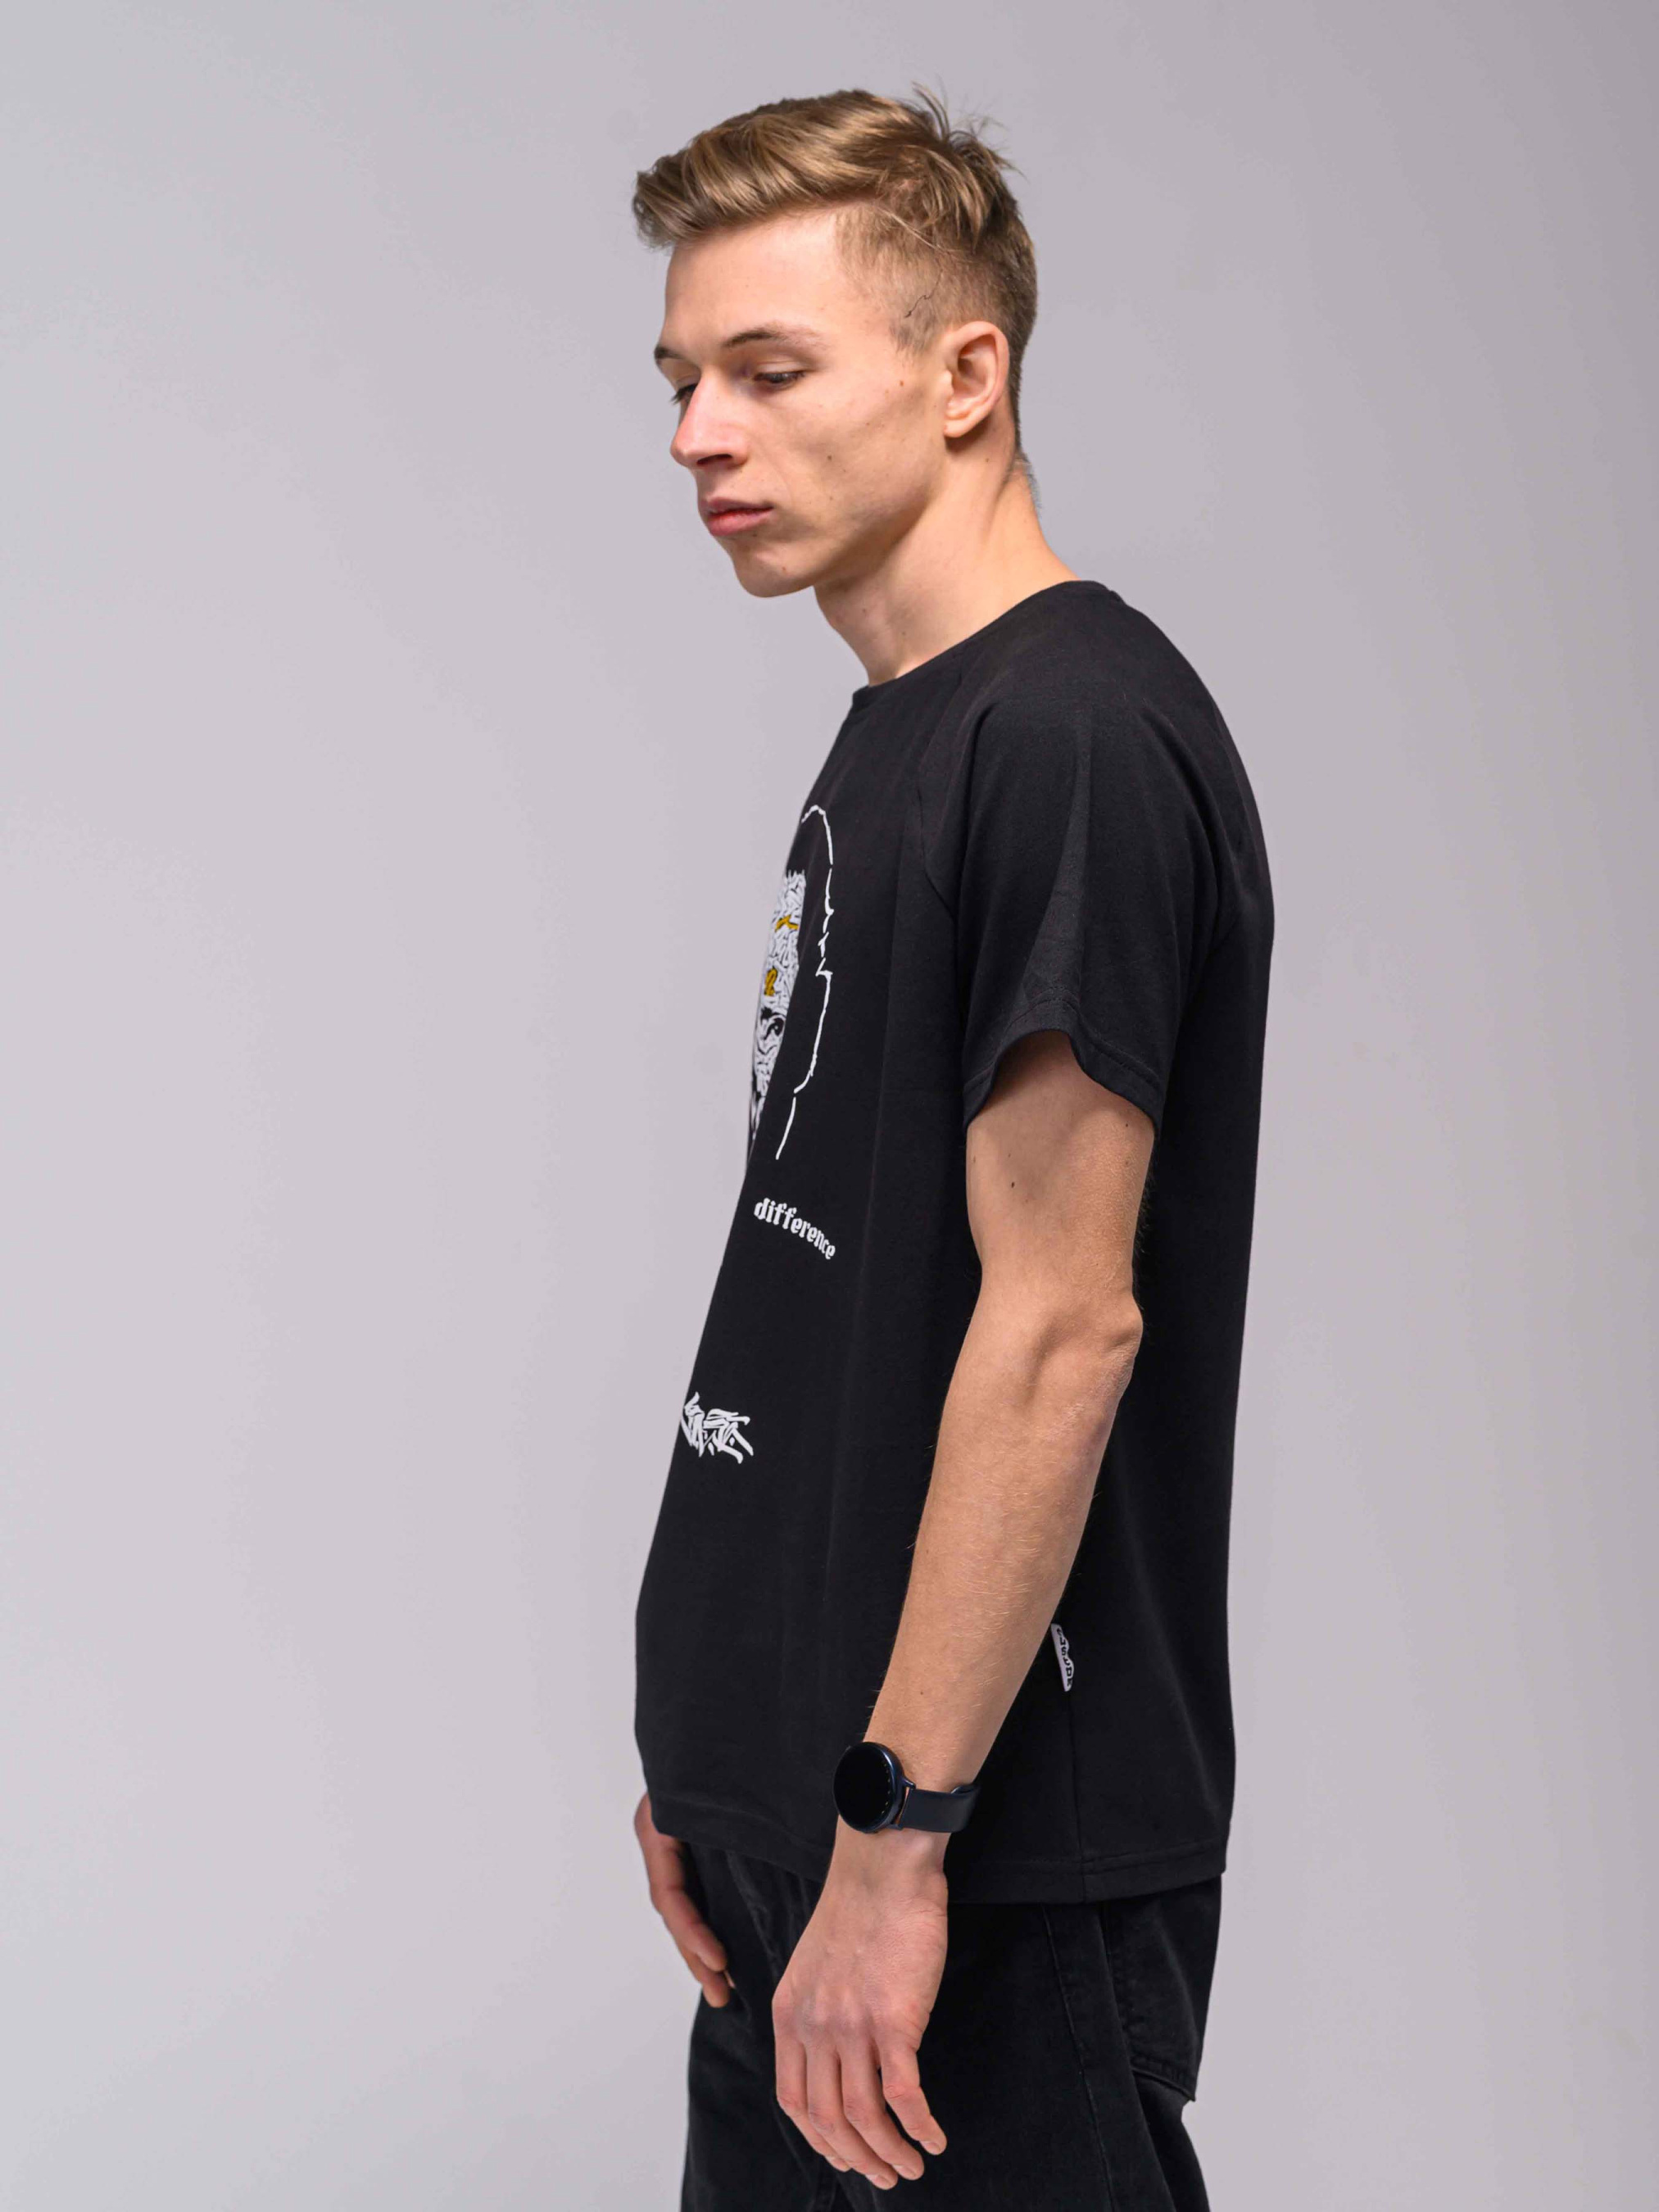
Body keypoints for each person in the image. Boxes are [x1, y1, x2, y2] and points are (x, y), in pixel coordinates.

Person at [628, 84, 1273, 2210]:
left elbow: (1063, 1325)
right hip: (805, 1834)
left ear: (964, 373)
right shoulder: (909, 729)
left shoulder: (1067, 732)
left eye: (767, 370)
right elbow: (827, 1280)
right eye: (681, 379)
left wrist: (895, 1835)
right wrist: (720, 1751)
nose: (697, 435)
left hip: (968, 1860)